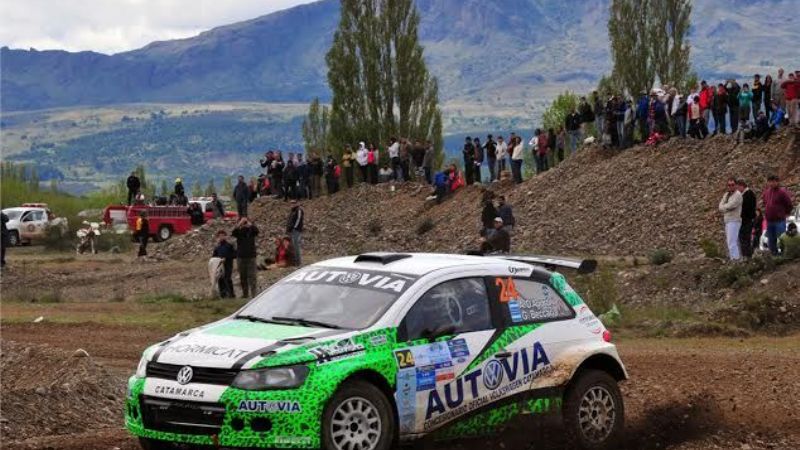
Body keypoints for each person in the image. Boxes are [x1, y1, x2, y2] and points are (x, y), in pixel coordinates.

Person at [762, 175, 794, 255]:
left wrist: (786, 214)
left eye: (773, 181)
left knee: (781, 239)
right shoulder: (767, 192)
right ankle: (773, 256)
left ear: (777, 182)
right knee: (771, 240)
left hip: (779, 220)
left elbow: (789, 204)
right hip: (769, 221)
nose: (771, 183)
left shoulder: (782, 192)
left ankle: (784, 255)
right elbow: (764, 203)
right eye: (770, 181)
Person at [231, 217, 259, 298]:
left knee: (252, 276)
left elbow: (257, 231)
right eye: (244, 223)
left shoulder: (251, 231)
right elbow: (233, 232)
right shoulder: (239, 231)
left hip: (251, 256)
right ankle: (245, 294)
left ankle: (254, 294)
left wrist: (250, 225)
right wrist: (239, 224)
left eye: (245, 223)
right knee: (243, 277)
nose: (244, 224)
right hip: (241, 257)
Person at [719, 178, 743, 261]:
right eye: (729, 185)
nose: (731, 186)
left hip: (734, 220)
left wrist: (724, 207)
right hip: (728, 220)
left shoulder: (738, 195)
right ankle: (734, 258)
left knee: (732, 242)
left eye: (732, 185)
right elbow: (720, 206)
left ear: (736, 185)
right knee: (731, 241)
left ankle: (735, 259)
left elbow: (732, 205)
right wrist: (725, 207)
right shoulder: (726, 195)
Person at [212, 230, 236, 298]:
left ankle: (231, 294)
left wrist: (226, 258)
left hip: (228, 265)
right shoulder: (217, 247)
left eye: (223, 236)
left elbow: (234, 255)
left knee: (228, 279)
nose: (221, 237)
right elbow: (214, 256)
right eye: (220, 236)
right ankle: (223, 294)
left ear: (225, 236)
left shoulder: (229, 245)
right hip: (219, 266)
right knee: (220, 279)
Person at [737, 179, 757, 259]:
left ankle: (748, 257)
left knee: (746, 240)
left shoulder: (749, 194)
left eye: (738, 187)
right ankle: (746, 256)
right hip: (744, 221)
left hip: (747, 221)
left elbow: (747, 209)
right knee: (743, 240)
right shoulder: (744, 194)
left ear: (742, 186)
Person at [287, 199, 304, 266]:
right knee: (293, 246)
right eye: (291, 203)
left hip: (296, 230)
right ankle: (295, 261)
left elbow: (299, 219)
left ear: (297, 203)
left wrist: (295, 227)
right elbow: (289, 220)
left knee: (296, 245)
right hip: (291, 230)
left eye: (294, 203)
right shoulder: (292, 211)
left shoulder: (299, 210)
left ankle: (298, 262)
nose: (292, 204)